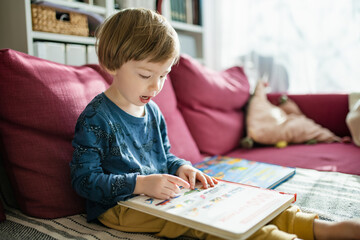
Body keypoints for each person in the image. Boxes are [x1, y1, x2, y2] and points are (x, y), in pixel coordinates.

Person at [70, 8, 360, 240]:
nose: (157, 86)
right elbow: (84, 181)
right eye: (146, 74)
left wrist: (181, 167)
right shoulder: (97, 118)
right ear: (111, 64)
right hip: (119, 207)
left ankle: (316, 227)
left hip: (159, 194)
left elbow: (164, 157)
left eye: (164, 75)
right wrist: (141, 184)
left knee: (239, 201)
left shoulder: (152, 110)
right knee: (212, 223)